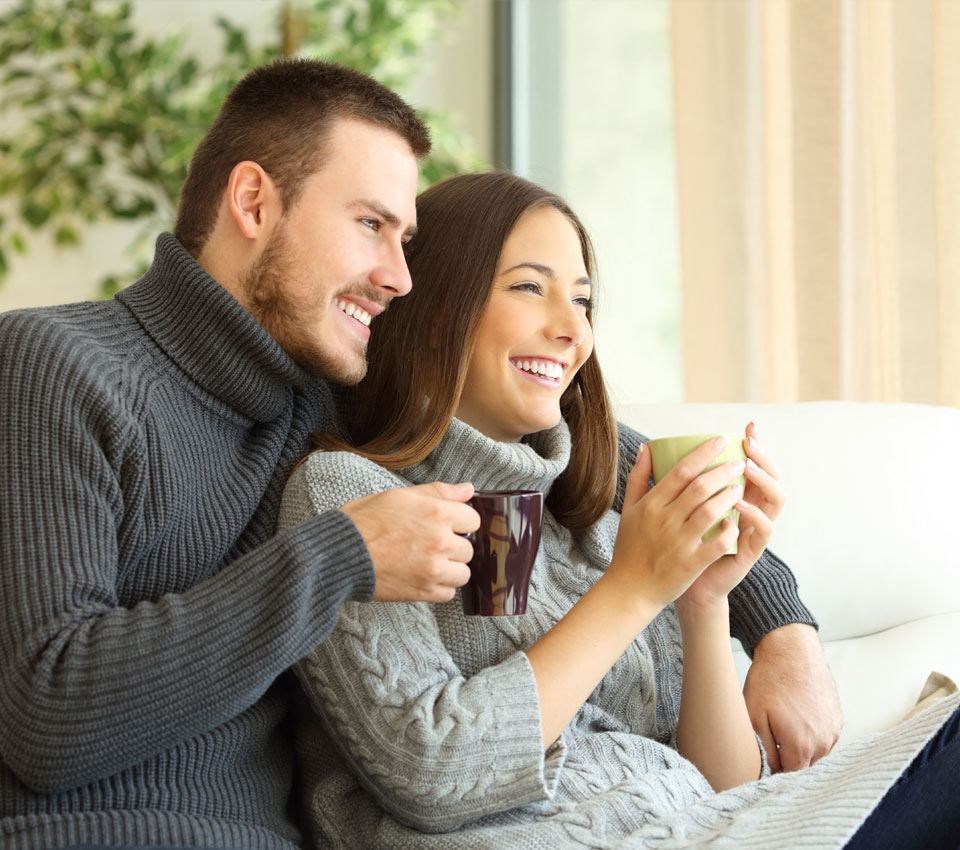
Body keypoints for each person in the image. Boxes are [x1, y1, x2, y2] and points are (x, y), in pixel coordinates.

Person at [0, 57, 829, 849]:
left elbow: (620, 467)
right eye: (371, 227)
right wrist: (342, 556)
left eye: (406, 241)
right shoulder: (55, 363)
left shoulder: (323, 393)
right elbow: (47, 717)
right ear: (254, 202)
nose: (399, 277)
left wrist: (786, 629)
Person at [282, 171, 960, 849]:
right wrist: (634, 587)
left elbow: (726, 785)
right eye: (529, 286)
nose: (570, 328)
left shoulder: (590, 516)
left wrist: (702, 602)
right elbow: (434, 770)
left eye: (582, 301)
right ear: (434, 313)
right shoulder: (350, 495)